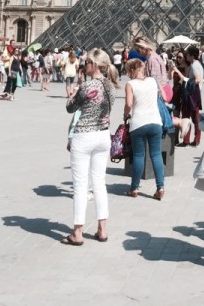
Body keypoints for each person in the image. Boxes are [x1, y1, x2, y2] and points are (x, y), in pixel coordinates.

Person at [63, 48, 117, 245]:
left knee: (80, 186)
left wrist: (74, 91)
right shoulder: (110, 86)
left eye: (87, 62)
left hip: (84, 136)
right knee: (99, 184)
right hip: (103, 136)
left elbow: (70, 107)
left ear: (94, 65)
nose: (84, 65)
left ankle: (77, 233)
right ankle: (102, 229)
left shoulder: (87, 86)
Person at [123, 58, 166, 199]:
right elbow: (165, 97)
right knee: (156, 154)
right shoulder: (153, 81)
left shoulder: (130, 84)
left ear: (130, 71)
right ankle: (160, 188)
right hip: (155, 121)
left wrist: (125, 115)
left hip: (138, 123)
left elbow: (129, 104)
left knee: (139, 156)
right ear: (142, 68)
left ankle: (134, 188)